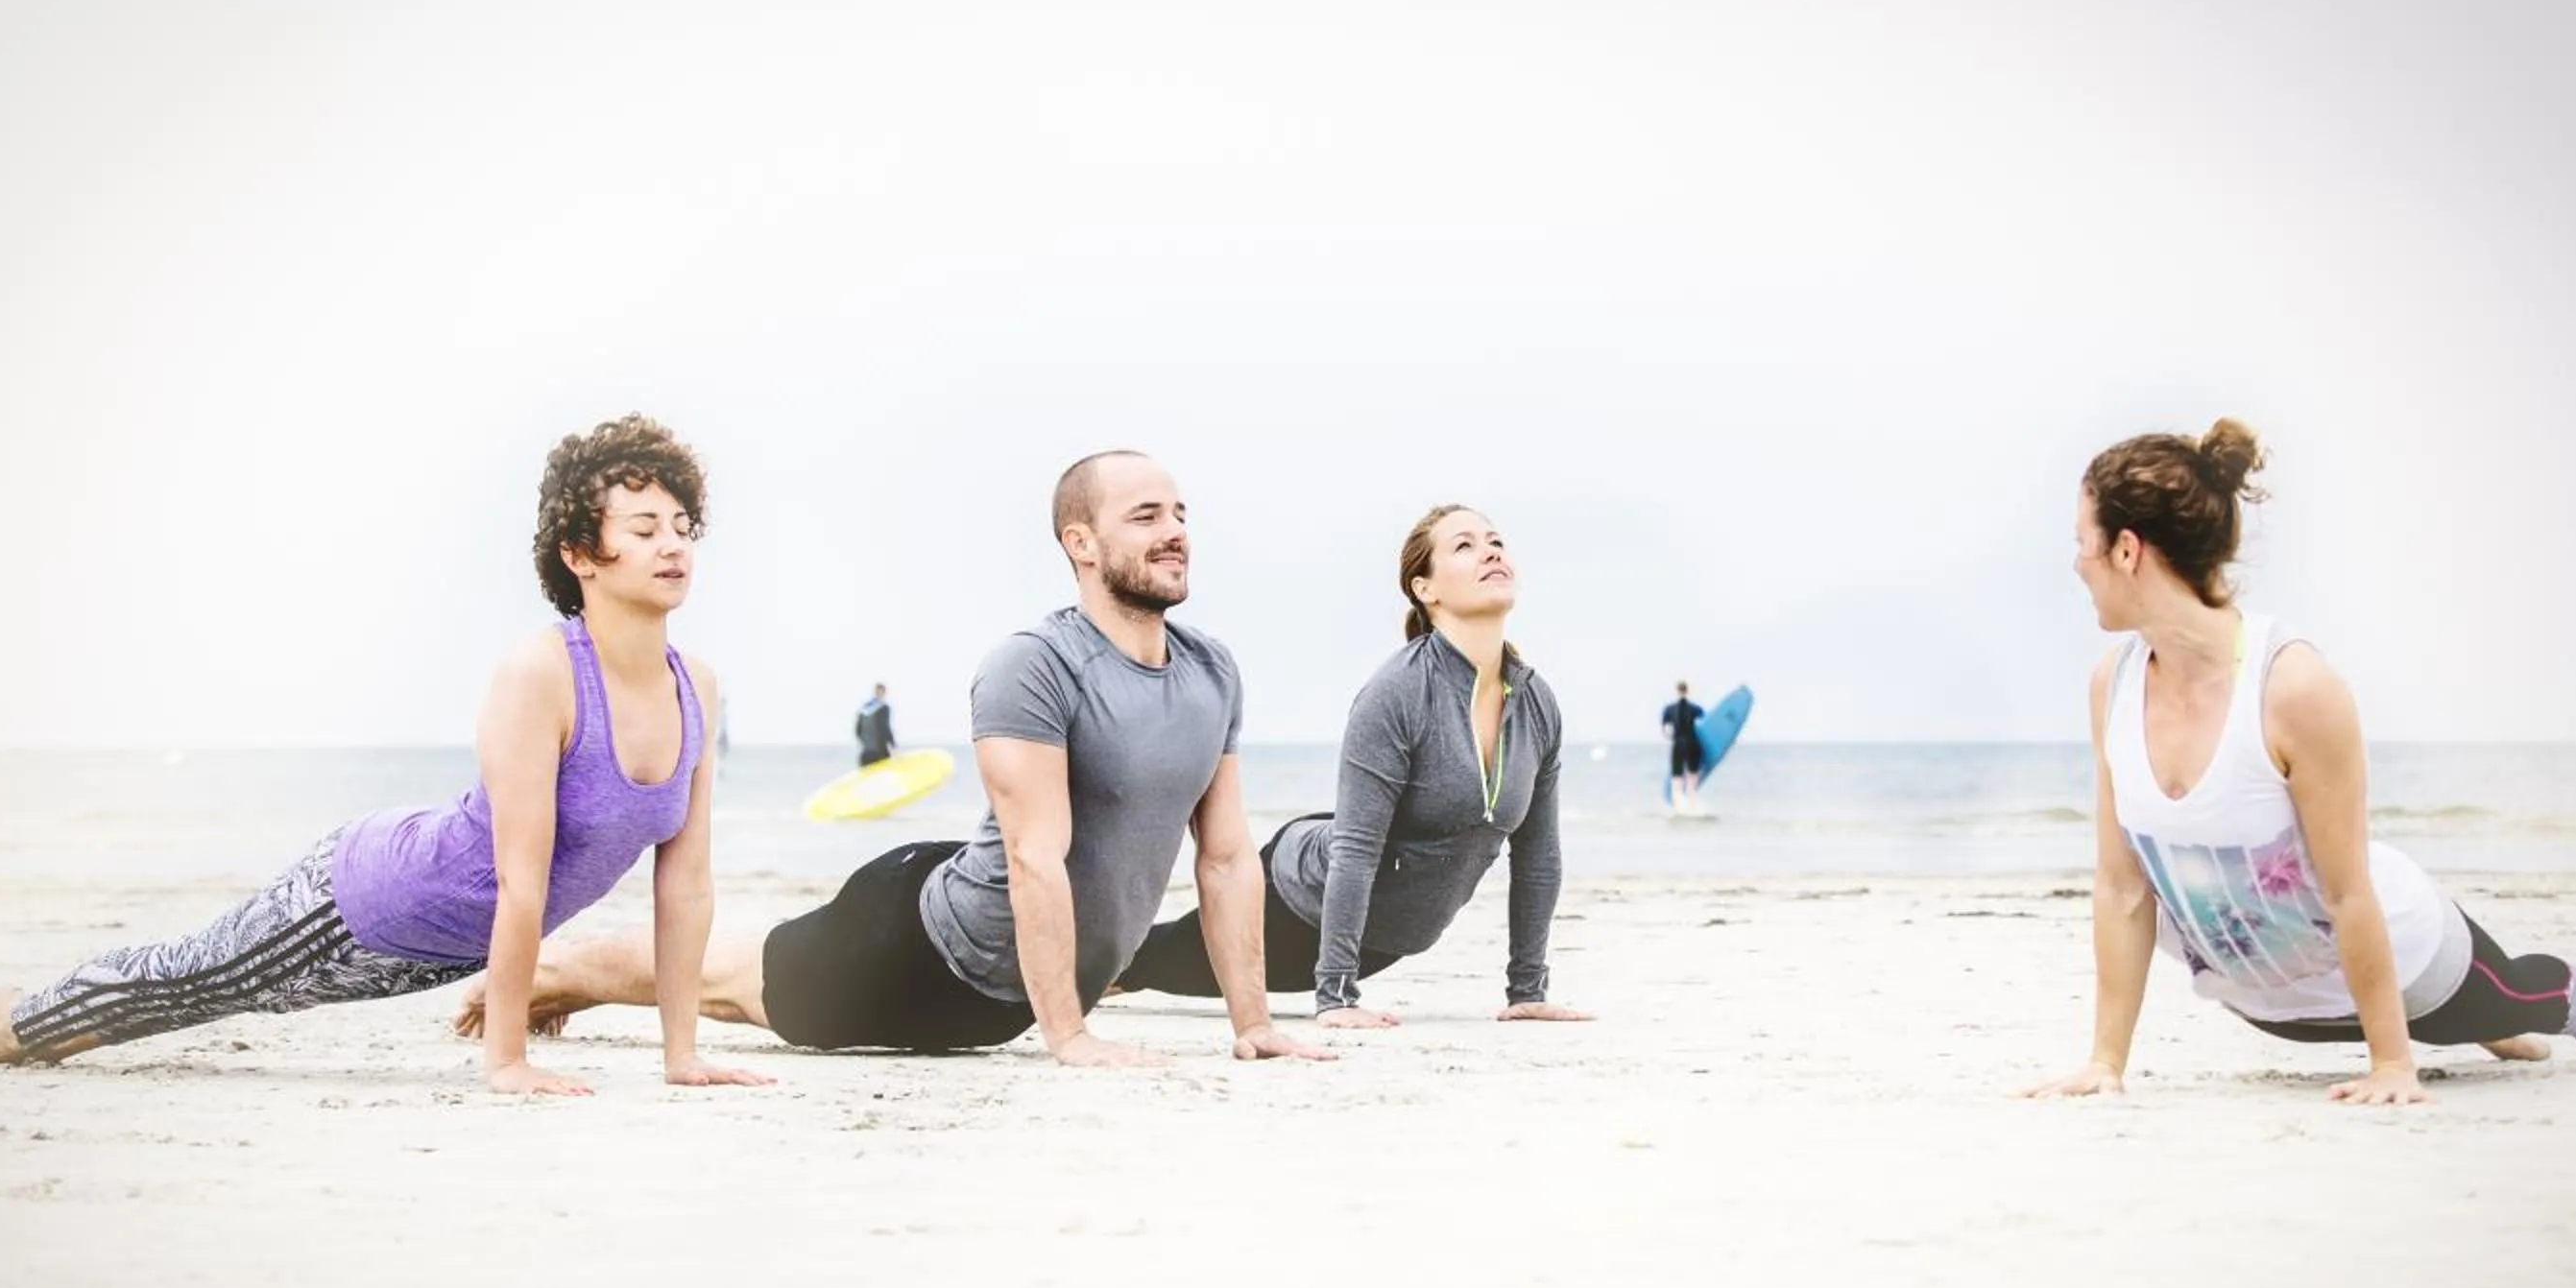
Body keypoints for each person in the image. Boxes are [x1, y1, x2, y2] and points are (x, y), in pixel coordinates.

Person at [0, 416, 767, 1098]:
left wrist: (681, 1055)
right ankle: (12, 1023)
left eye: (683, 527)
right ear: (582, 555)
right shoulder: (542, 675)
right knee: (195, 981)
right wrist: (509, 1062)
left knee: (209, 995)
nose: (674, 547)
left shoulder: (695, 685)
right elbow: (522, 879)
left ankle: (30, 1020)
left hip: (441, 948)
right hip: (369, 899)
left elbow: (686, 882)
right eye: (645, 528)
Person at [457, 451, 1333, 1068]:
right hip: (918, 948)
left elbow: (1223, 860)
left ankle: (554, 977)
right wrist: (1068, 1037)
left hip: (1006, 999)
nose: (1174, 532)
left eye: (1180, 514)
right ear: (1081, 543)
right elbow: (1034, 854)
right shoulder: (1035, 664)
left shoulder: (1213, 669)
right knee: (735, 981)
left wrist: (1250, 1025)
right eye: (1145, 517)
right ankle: (550, 972)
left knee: (736, 971)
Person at [2029, 418, 2576, 1107]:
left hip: (2407, 967)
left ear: (2125, 549)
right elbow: (2122, 888)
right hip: (2271, 1007)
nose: (2074, 561)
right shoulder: (2111, 684)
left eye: (2079, 540)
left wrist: (2392, 1064)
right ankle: (2489, 1029)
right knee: (2473, 1019)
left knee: (2517, 996)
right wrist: (2104, 1062)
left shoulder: (2293, 688)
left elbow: (2349, 892)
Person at [1117, 503, 1590, 1029]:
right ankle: (1046, 965)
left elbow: (1538, 854)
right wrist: (1337, 995)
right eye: (1464, 545)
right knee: (1145, 960)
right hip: (1298, 904)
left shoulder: (1535, 703)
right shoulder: (1399, 692)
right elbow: (1357, 847)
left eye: (1494, 540)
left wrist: (1528, 990)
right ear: (1425, 589)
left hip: (1389, 939)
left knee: (1145, 962)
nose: (1491, 550)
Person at [1661, 680, 1706, 811]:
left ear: (1677, 691)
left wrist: (1671, 737)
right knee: (1692, 776)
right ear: (1687, 691)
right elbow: (1706, 721)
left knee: (1677, 777)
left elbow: (1665, 730)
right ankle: (1692, 806)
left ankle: (1678, 808)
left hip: (1678, 745)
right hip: (1693, 743)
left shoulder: (1669, 709)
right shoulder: (1695, 708)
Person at [855, 682, 896, 766]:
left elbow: (858, 730)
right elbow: (884, 727)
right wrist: (893, 743)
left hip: (866, 753)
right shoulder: (884, 708)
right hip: (879, 752)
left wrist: (865, 743)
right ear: (884, 693)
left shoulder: (865, 708)